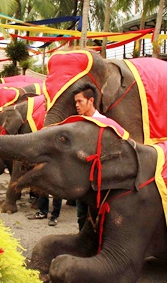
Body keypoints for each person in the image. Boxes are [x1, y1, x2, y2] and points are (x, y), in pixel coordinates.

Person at [73, 84, 107, 230]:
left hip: (98, 181)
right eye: (75, 102)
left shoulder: (104, 123)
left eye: (80, 101)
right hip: (81, 179)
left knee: (98, 216)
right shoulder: (77, 123)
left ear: (91, 101)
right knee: (81, 215)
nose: (77, 105)